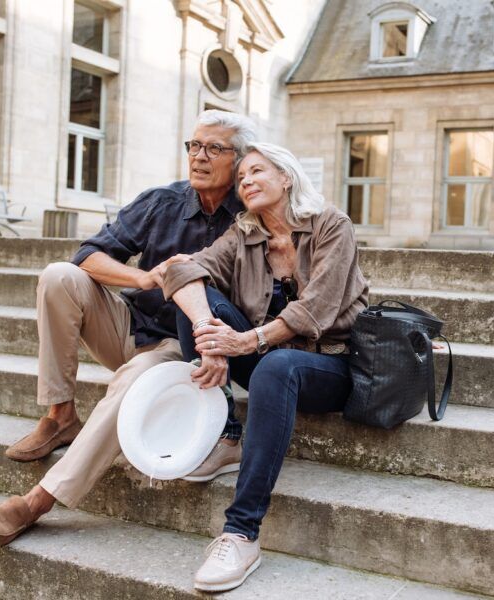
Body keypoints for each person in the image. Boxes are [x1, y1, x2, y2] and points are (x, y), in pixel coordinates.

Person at [0, 110, 257, 546]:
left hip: (182, 347)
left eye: (214, 148)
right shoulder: (163, 200)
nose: (199, 157)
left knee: (134, 380)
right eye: (194, 146)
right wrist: (141, 278)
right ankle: (60, 415)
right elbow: (88, 254)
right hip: (129, 325)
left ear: (240, 160)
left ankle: (37, 501)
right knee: (58, 276)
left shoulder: (250, 218)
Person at [162, 142, 369, 592]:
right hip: (261, 357)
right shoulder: (244, 233)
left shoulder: (331, 226)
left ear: (286, 177)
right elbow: (180, 269)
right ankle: (229, 434)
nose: (246, 182)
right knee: (195, 296)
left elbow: (316, 311)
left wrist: (245, 340)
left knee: (277, 365)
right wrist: (210, 339)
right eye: (241, 178)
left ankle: (241, 533)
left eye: (257, 171)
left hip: (328, 367)